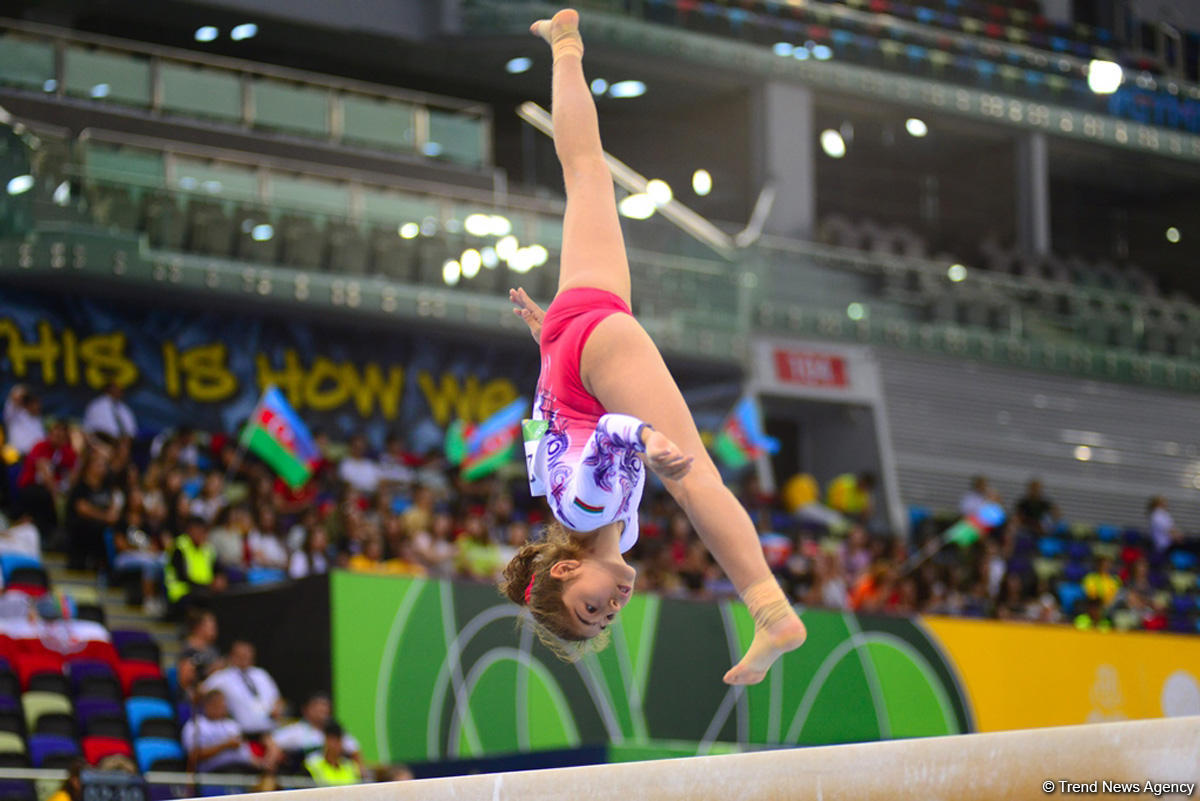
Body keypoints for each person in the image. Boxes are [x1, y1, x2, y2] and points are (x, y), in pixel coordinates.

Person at [499, 9, 804, 685]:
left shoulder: (586, 510)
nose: (610, 608)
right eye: (605, 620)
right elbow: (537, 429)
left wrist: (645, 440)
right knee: (585, 171)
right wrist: (546, 342)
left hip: (588, 355)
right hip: (571, 345)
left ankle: (771, 609)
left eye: (588, 607)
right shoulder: (597, 520)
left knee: (694, 476)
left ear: (566, 566)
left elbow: (605, 430)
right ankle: (566, 44)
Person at [202, 640, 284, 739]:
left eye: (248, 653)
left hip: (271, 730)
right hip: (245, 734)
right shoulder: (223, 676)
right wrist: (211, 670)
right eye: (241, 654)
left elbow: (277, 699)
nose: (245, 657)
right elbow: (201, 692)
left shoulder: (261, 674)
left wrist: (277, 709)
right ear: (232, 656)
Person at [273, 693, 362, 771]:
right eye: (317, 706)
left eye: (325, 706)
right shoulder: (296, 730)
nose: (322, 710)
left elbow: (354, 750)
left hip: (332, 776)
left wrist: (361, 769)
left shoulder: (335, 731)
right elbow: (273, 742)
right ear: (305, 710)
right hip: (307, 779)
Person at [181, 689, 262, 773]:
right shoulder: (195, 725)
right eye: (217, 704)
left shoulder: (232, 725)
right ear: (207, 705)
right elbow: (194, 756)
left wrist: (261, 764)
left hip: (242, 768)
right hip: (215, 772)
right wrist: (225, 745)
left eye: (223, 704)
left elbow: (246, 754)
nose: (222, 707)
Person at [64, 450, 120, 571]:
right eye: (99, 465)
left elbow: (113, 508)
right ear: (89, 467)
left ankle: (107, 566)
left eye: (104, 465)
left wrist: (111, 514)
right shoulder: (80, 487)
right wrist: (105, 517)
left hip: (100, 526)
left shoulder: (107, 488)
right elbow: (83, 509)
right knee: (91, 528)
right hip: (81, 528)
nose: (102, 469)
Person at [164, 516, 227, 613]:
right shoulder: (179, 547)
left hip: (203, 591)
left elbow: (218, 568)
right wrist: (208, 586)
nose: (199, 534)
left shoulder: (208, 549)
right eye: (196, 530)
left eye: (202, 531)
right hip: (181, 594)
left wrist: (220, 578)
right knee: (204, 599)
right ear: (189, 531)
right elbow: (182, 577)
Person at [304, 721, 362, 786]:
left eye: (338, 740)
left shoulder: (350, 767)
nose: (334, 745)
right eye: (331, 739)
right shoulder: (312, 765)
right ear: (325, 740)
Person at [180, 609, 224, 681]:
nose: (215, 630)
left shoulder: (213, 649)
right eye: (212, 627)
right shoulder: (188, 650)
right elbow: (185, 679)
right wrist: (211, 670)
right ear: (199, 627)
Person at [3, 384, 44, 456]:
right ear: (27, 405)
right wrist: (23, 393)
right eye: (33, 404)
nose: (36, 407)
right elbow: (15, 396)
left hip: (34, 457)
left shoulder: (38, 420)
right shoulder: (15, 415)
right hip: (17, 457)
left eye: (37, 404)